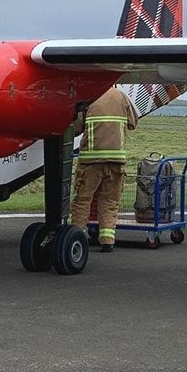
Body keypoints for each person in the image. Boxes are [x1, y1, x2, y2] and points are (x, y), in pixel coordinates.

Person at [69, 86, 139, 253]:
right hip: (116, 161)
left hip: (91, 162)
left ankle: (75, 237)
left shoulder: (89, 95)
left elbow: (77, 128)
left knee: (82, 201)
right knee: (110, 202)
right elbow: (132, 123)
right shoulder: (121, 97)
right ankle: (107, 240)